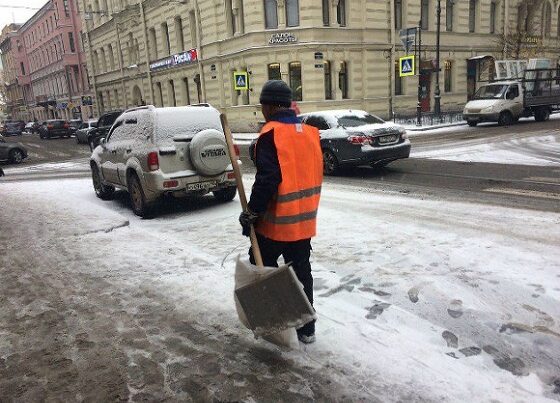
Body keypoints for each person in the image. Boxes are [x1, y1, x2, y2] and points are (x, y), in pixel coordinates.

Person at [239, 80, 323, 344]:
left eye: (262, 105)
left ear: (270, 106)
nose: (261, 111)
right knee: (301, 269)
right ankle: (306, 329)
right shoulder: (310, 133)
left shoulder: (270, 134)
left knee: (260, 267)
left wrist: (252, 212)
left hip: (275, 224)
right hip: (304, 221)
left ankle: (275, 320)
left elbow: (268, 179)